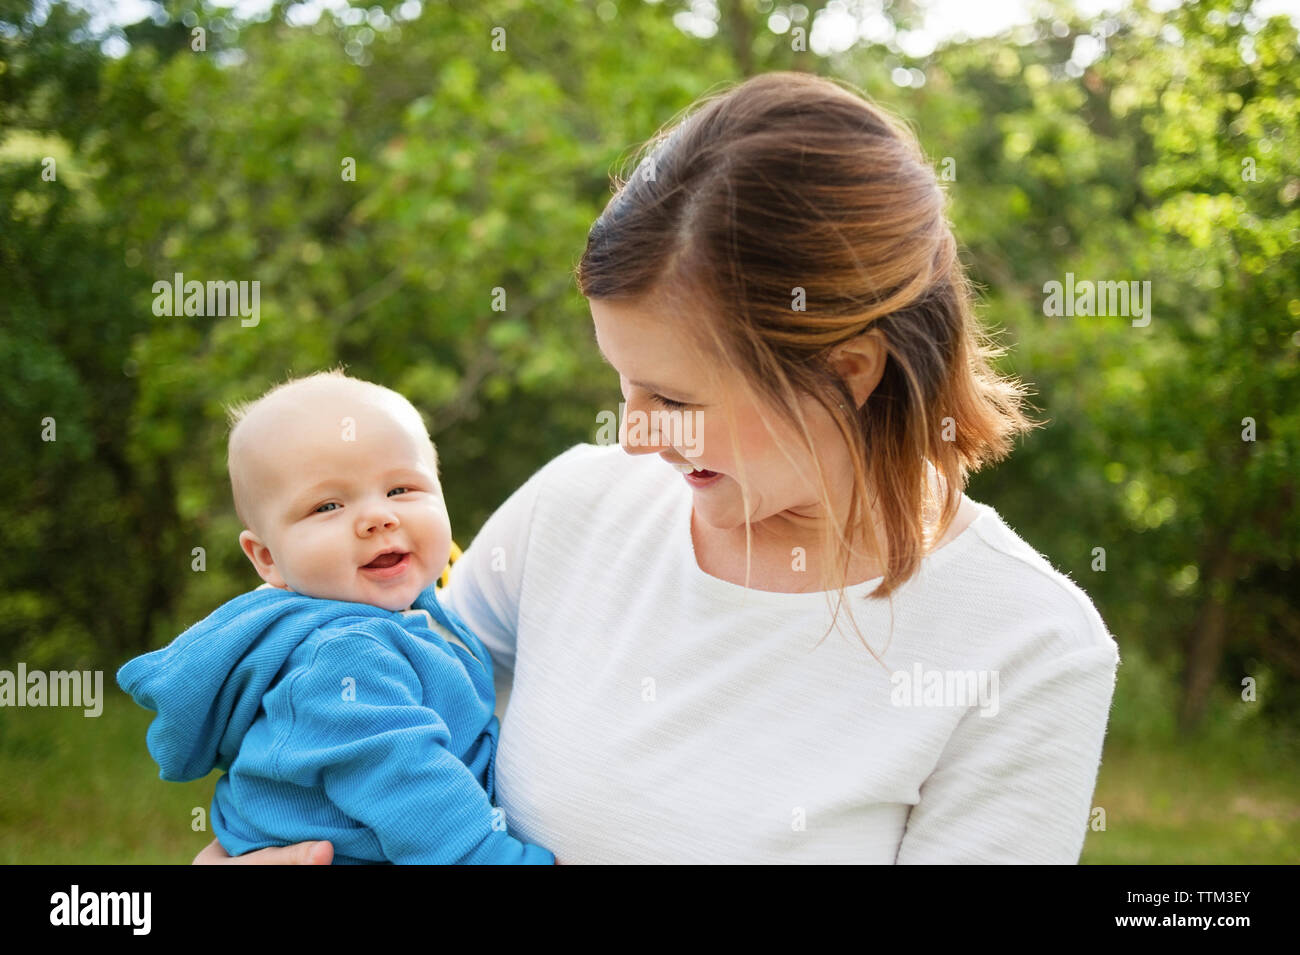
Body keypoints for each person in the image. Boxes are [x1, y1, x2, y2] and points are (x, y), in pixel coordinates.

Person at [196, 71, 1119, 865]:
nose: (634, 437)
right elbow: (347, 728)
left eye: (676, 401)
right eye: (624, 386)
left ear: (847, 371)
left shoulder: (1027, 648)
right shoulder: (575, 507)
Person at [119, 370, 555, 864]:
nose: (378, 517)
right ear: (266, 559)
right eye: (328, 505)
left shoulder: (415, 611)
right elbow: (410, 786)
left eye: (401, 489)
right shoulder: (343, 653)